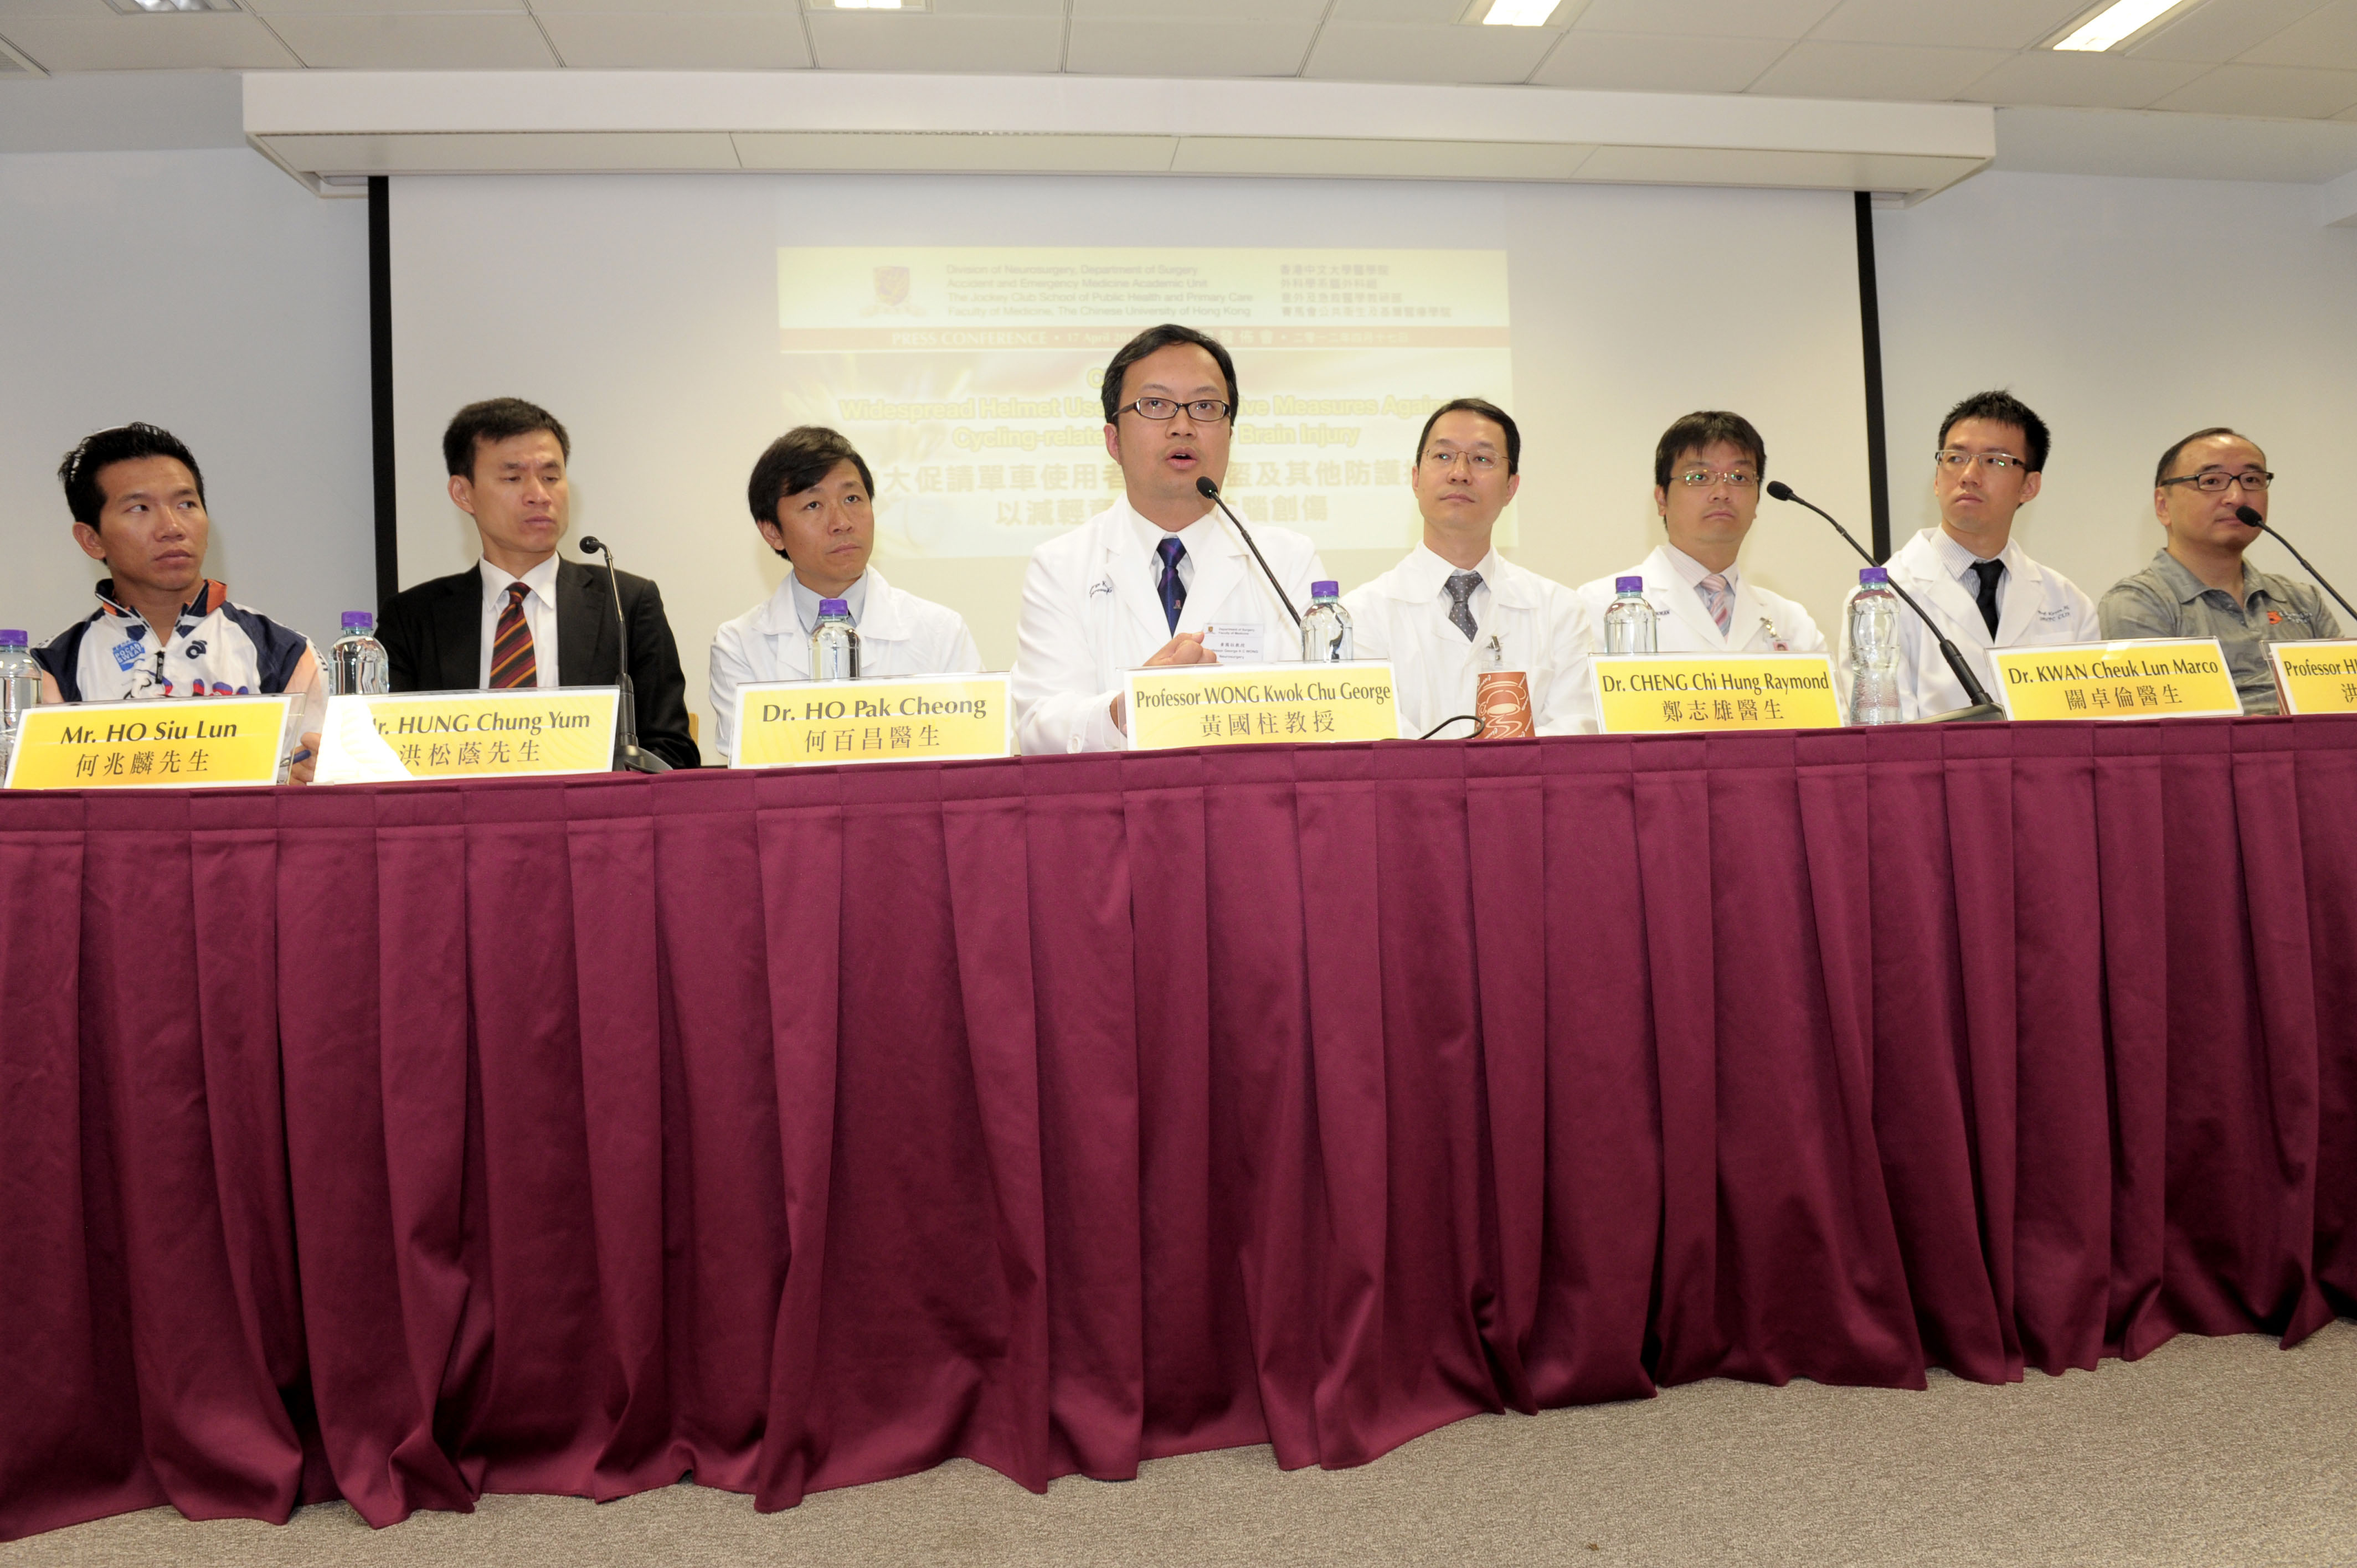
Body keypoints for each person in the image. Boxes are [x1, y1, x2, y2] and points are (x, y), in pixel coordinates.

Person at [1010, 324, 1322, 755]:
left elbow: (1325, 707)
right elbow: (1038, 727)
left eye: (1205, 406)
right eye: (1154, 404)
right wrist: (1132, 707)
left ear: (1230, 434)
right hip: (1115, 815)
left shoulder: (1287, 561)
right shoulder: (1060, 565)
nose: (1182, 425)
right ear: (1113, 440)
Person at [377, 398, 699, 768]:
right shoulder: (412, 617)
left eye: (551, 477)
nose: (539, 495)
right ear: (463, 493)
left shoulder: (626, 604)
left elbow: (673, 752)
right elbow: (383, 752)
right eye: (513, 478)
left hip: (589, 820)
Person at [35, 422, 324, 781]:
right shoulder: (48, 670)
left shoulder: (285, 653)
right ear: (92, 540)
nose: (172, 527)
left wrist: (308, 780)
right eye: (140, 508)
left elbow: (326, 782)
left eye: (186, 504)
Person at [708, 426, 984, 762]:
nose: (841, 522)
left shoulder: (941, 631)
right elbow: (756, 769)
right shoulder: (739, 645)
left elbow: (974, 757)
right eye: (813, 505)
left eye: (852, 499)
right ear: (772, 531)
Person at [1342, 398, 1596, 737]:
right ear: (1416, 478)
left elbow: (1575, 729)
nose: (1460, 474)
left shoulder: (1561, 611)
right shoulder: (1360, 616)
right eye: (1443, 456)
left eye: (1482, 459)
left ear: (1511, 487)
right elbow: (1374, 735)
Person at [1838, 390, 2098, 720]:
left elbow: (2086, 732)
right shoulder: (1881, 602)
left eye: (1995, 461)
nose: (1968, 476)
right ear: (1936, 479)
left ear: (2029, 487)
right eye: (1955, 458)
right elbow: (1887, 745)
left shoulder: (2070, 604)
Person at [2098, 427, 2340, 715]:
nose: (2237, 498)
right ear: (2163, 506)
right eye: (2211, 481)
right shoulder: (2139, 604)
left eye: (2252, 480)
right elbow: (2167, 732)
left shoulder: (2303, 600)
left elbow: (2341, 704)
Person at [1573, 410, 1824, 658]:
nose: (1722, 492)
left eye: (1739, 477)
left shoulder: (1792, 622)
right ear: (1662, 499)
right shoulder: (1595, 607)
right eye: (1699, 477)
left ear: (1757, 499)